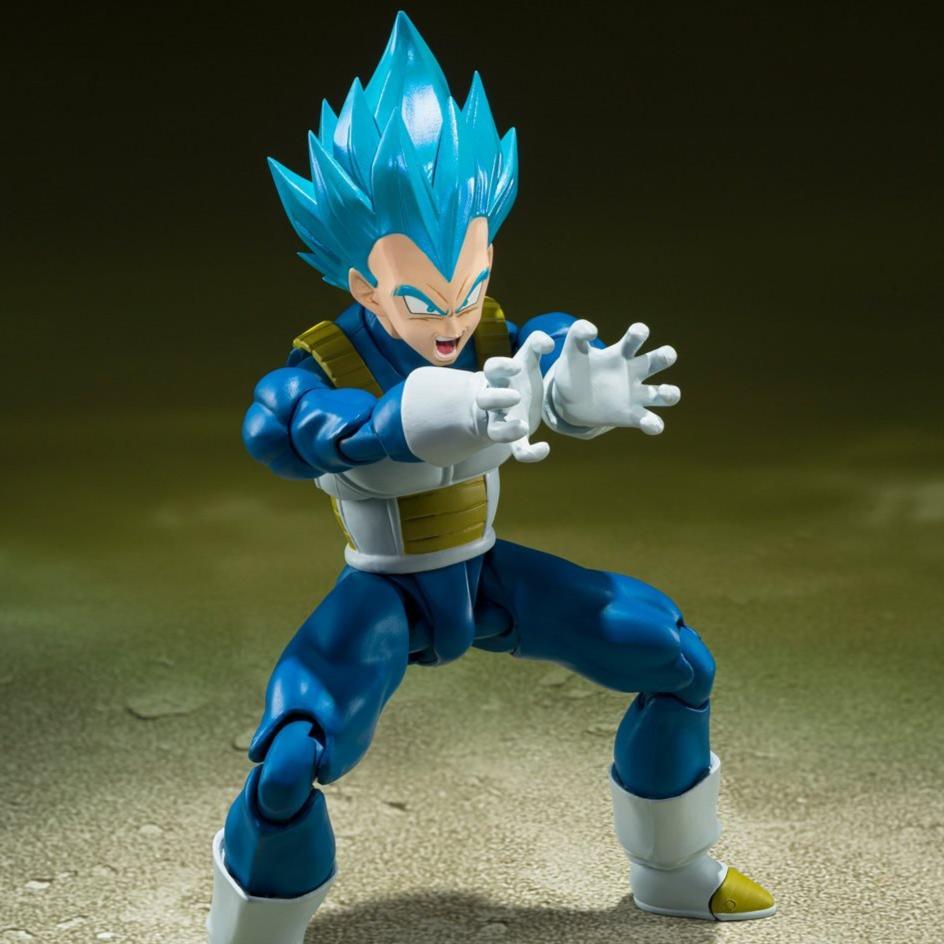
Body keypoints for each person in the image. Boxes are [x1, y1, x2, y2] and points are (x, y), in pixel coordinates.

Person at [206, 12, 776, 943]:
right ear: (361, 284)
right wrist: (411, 417)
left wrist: (576, 387)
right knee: (289, 762)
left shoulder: (498, 337)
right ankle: (253, 931)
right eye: (423, 299)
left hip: (486, 575)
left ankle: (676, 871)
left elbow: (552, 343)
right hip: (384, 595)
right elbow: (285, 428)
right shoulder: (321, 368)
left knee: (676, 658)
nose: (454, 321)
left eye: (470, 288)